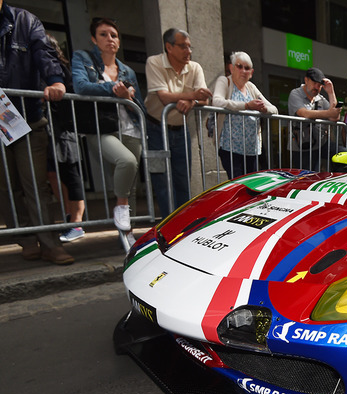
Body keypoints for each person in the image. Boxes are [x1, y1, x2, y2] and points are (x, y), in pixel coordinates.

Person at [0, 0, 73, 264]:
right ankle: (27, 240)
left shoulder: (25, 21)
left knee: (35, 184)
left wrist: (55, 80)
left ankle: (50, 244)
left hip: (27, 117)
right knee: (7, 187)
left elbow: (44, 52)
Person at [72, 17, 145, 235]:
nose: (109, 39)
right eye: (103, 34)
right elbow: (81, 87)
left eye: (113, 35)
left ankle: (127, 236)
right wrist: (115, 89)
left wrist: (127, 98)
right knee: (126, 161)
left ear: (119, 42)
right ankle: (120, 206)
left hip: (130, 129)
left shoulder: (128, 71)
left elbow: (138, 104)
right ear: (94, 39)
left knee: (131, 184)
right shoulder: (83, 58)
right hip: (101, 128)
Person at [144, 28, 211, 217]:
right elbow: (164, 98)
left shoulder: (195, 67)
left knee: (183, 180)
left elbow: (205, 99)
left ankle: (182, 224)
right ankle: (168, 224)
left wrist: (192, 101)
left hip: (181, 130)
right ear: (169, 47)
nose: (188, 51)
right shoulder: (154, 62)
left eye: (190, 47)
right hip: (155, 129)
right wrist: (193, 95)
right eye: (183, 46)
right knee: (162, 181)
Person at [211, 51, 278, 179]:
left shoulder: (251, 87)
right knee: (238, 185)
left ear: (251, 73)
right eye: (239, 66)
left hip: (252, 149)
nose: (243, 71)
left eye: (247, 68)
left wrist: (264, 109)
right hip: (230, 148)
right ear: (231, 68)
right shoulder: (225, 81)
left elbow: (274, 109)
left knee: (250, 187)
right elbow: (217, 101)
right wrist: (247, 106)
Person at [44, 33, 85, 242]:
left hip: (64, 128)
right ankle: (69, 217)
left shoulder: (62, 70)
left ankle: (77, 223)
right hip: (47, 129)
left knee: (70, 171)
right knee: (53, 173)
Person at [287, 67, 343, 170]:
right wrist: (329, 113)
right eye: (314, 83)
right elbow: (304, 113)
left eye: (320, 85)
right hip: (301, 147)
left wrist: (331, 92)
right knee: (306, 178)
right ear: (306, 80)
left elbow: (335, 117)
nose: (317, 87)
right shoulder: (295, 93)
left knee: (343, 153)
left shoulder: (320, 98)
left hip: (319, 144)